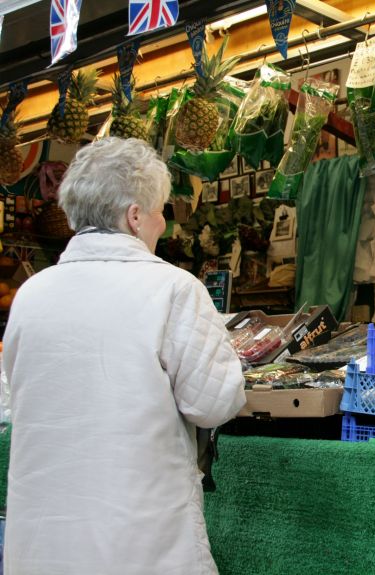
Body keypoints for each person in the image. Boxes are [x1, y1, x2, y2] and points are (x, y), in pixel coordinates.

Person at [2, 137, 246, 574]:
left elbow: (13, 400)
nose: (162, 224)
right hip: (140, 541)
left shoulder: (30, 295)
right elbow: (214, 404)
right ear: (134, 216)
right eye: (159, 211)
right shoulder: (173, 289)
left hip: (42, 546)